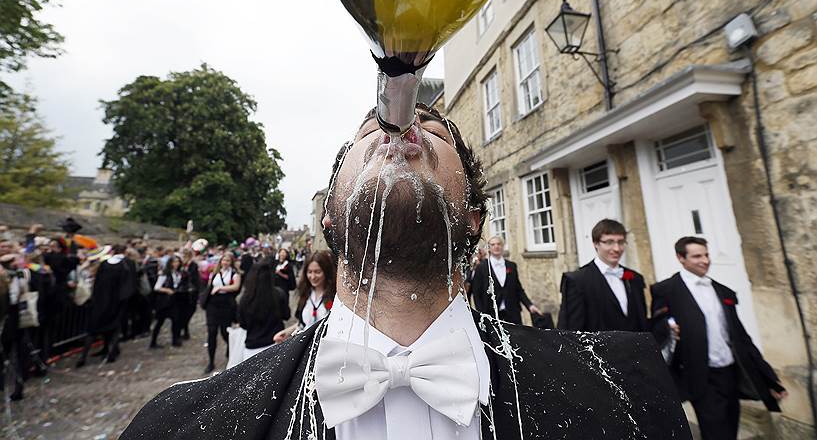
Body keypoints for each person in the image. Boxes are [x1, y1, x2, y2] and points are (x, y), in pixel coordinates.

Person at [122, 105, 690, 439]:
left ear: (473, 217)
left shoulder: (628, 392)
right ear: (329, 214)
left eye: (436, 133)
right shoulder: (175, 425)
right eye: (371, 134)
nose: (401, 132)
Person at [650, 236, 787, 440]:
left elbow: (741, 338)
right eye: (697, 256)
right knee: (716, 432)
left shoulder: (722, 291)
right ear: (681, 258)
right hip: (700, 377)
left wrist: (769, 379)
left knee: (731, 428)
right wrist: (668, 328)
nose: (705, 260)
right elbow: (657, 327)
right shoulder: (666, 290)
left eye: (706, 255)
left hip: (730, 374)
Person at [557, 219, 649, 332]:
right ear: (596, 244)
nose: (617, 248)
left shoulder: (634, 277)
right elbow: (571, 330)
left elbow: (642, 322)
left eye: (620, 242)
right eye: (609, 242)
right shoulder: (577, 281)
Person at [76, 245, 133, 366]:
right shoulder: (126, 265)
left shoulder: (104, 265)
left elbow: (97, 284)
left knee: (92, 330)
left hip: (100, 302)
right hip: (115, 302)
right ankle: (111, 353)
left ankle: (83, 357)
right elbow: (128, 286)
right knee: (114, 328)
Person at [470, 236, 539, 324]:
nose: (496, 246)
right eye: (493, 244)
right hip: (491, 314)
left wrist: (530, 305)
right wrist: (482, 314)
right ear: (489, 248)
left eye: (499, 244)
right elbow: (476, 293)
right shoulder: (481, 267)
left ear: (503, 246)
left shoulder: (511, 266)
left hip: (512, 313)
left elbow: (518, 289)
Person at [274, 250, 337, 344]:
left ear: (326, 271)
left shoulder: (335, 297)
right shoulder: (306, 294)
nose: (312, 276)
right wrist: (286, 332)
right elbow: (303, 324)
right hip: (305, 346)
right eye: (309, 272)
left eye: (317, 272)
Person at [237, 259, 290, 362]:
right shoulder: (279, 294)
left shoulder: (245, 299)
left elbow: (243, 324)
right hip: (276, 344)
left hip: (253, 348)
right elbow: (286, 315)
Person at [0, 251, 31, 400]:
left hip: (8, 321)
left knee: (7, 355)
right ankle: (18, 387)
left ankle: (10, 387)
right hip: (17, 319)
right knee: (17, 356)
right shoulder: (20, 276)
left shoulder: (9, 279)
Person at [202, 253, 240, 373]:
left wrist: (220, 288)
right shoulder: (214, 273)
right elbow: (209, 287)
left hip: (226, 305)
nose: (225, 262)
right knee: (212, 332)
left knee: (225, 332)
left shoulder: (235, 274)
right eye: (224, 260)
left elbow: (236, 287)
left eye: (228, 260)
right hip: (213, 305)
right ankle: (211, 361)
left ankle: (231, 350)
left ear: (231, 262)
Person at [150, 254, 183, 349]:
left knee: (175, 321)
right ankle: (153, 341)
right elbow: (157, 287)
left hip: (174, 300)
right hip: (164, 301)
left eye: (177, 262)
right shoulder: (165, 273)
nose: (176, 264)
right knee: (160, 321)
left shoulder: (178, 273)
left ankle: (175, 339)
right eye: (174, 262)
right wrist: (167, 290)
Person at [178, 248, 200, 340]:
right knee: (183, 312)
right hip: (183, 292)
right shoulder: (181, 265)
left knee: (189, 311)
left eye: (184, 256)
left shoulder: (193, 265)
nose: (183, 257)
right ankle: (184, 332)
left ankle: (184, 329)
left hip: (192, 292)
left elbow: (192, 277)